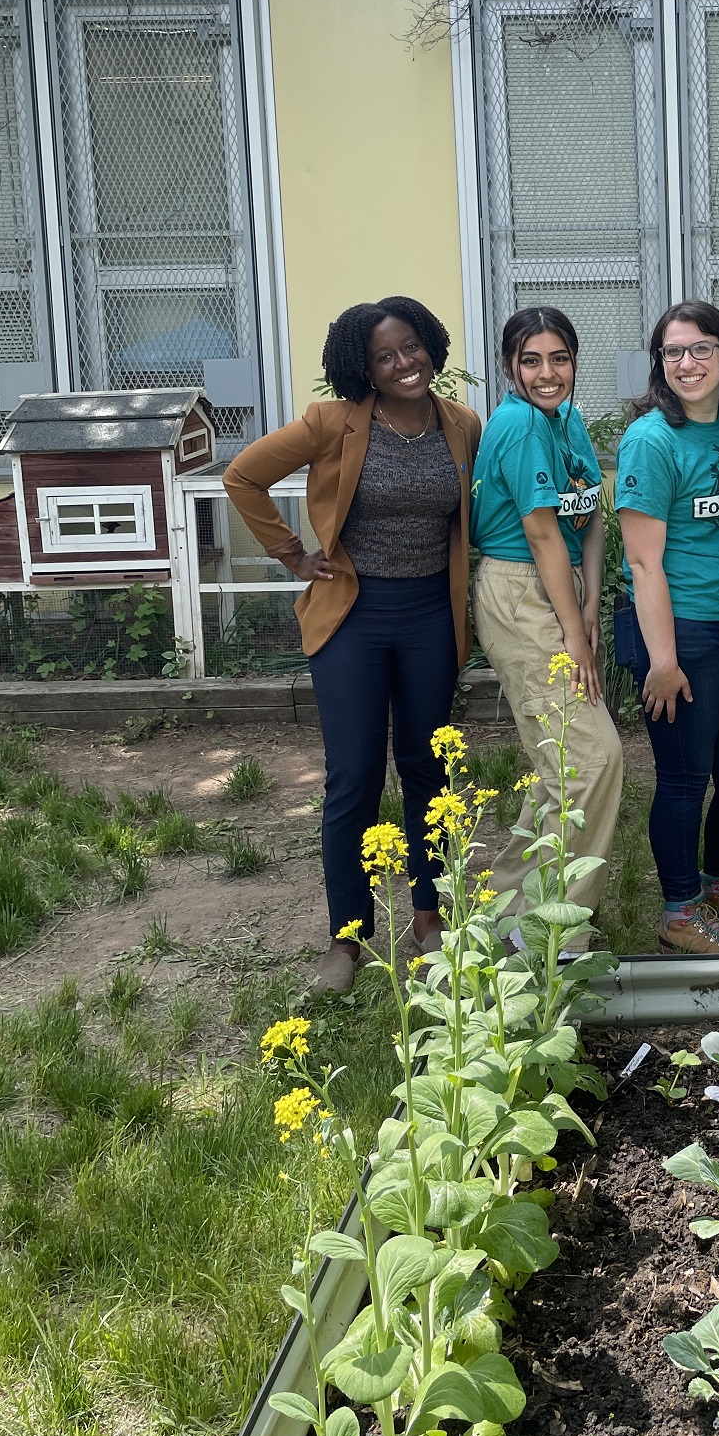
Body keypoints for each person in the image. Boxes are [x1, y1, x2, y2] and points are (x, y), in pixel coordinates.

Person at [224, 296, 482, 996]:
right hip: (353, 619)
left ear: (429, 343)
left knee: (429, 770)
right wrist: (292, 555)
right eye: (384, 356)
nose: (404, 363)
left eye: (411, 347)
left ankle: (429, 920)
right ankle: (347, 939)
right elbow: (242, 476)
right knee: (353, 778)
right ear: (361, 368)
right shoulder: (332, 422)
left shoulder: (460, 425)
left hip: (431, 614)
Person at [614, 301, 719, 955]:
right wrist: (663, 659)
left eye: (700, 349)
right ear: (660, 364)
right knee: (686, 776)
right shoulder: (652, 440)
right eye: (672, 352)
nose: (687, 363)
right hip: (677, 632)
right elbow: (642, 559)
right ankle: (680, 908)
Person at [470, 306, 623, 922]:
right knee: (590, 760)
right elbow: (540, 534)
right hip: (521, 592)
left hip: (561, 589)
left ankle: (506, 911)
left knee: (564, 762)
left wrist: (589, 607)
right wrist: (573, 633)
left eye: (559, 358)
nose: (546, 372)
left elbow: (587, 516)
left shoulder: (568, 419)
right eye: (530, 360)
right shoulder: (524, 426)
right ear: (510, 366)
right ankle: (551, 930)